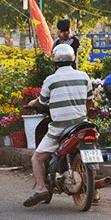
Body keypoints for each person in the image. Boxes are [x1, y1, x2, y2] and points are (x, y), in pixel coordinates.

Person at [23, 44, 95, 207]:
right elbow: (89, 100)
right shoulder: (84, 76)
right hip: (82, 125)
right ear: (73, 59)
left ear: (54, 61)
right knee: (91, 152)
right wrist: (83, 112)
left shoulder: (51, 80)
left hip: (60, 127)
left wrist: (32, 103)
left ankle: (41, 189)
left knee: (37, 158)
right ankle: (95, 192)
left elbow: (41, 101)